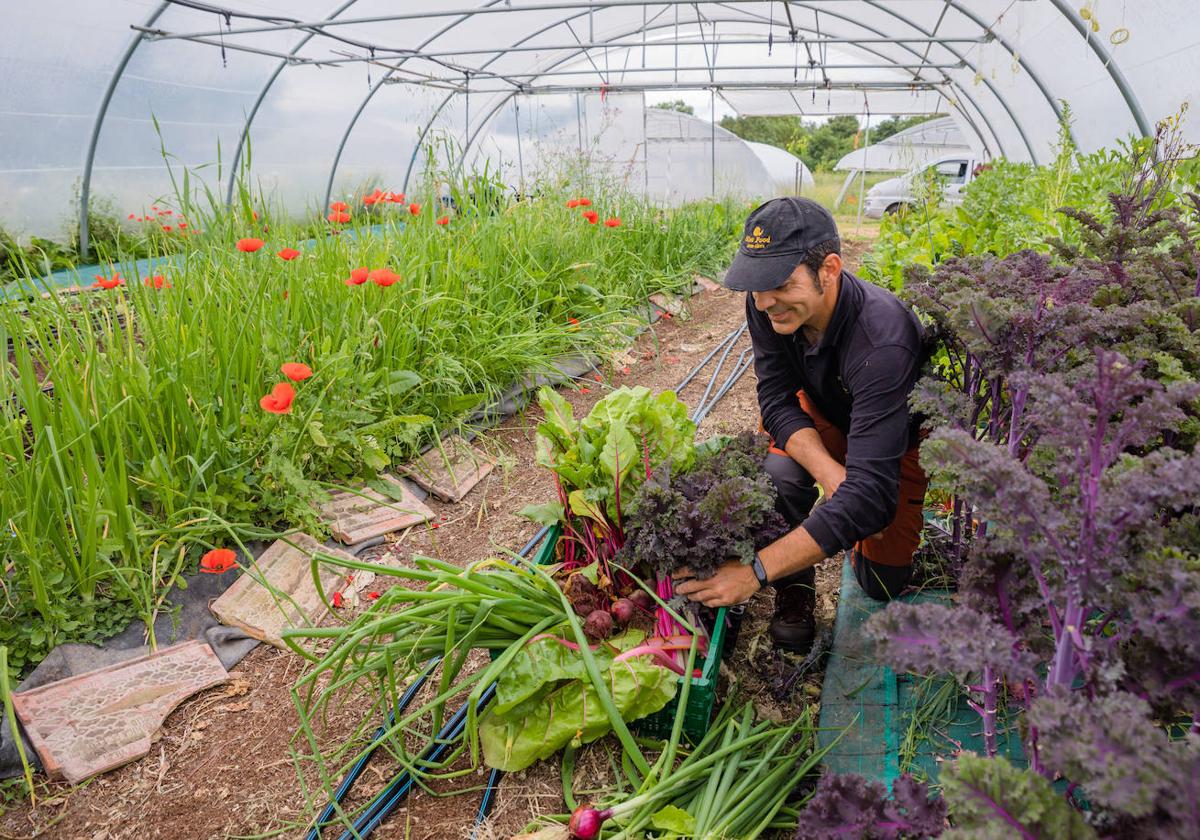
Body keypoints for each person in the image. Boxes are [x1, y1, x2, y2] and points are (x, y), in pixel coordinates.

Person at [674, 197, 929, 653]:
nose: (765, 300)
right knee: (778, 476)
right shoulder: (767, 305)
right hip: (823, 413)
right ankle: (797, 587)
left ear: (829, 269)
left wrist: (753, 571)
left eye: (780, 283)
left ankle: (828, 534)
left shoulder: (883, 340)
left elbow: (871, 497)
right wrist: (831, 475)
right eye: (755, 285)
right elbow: (774, 399)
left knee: (882, 583)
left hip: (891, 436)